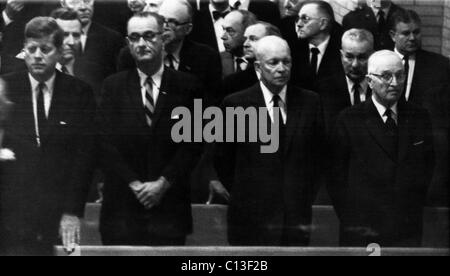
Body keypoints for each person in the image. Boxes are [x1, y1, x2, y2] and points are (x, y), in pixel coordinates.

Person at [97, 12, 203, 246]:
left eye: (148, 36)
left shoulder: (187, 86)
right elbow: (104, 143)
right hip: (122, 208)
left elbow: (193, 144)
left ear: (163, 38)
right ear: (127, 43)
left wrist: (163, 183)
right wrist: (135, 184)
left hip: (169, 208)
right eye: (134, 38)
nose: (141, 44)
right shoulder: (112, 87)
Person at [214, 36, 324, 246]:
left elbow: (317, 158)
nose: (281, 68)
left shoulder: (310, 102)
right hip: (250, 216)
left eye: (286, 61)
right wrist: (247, 193)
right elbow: (223, 160)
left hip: (295, 217)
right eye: (273, 62)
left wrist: (300, 196)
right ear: (258, 66)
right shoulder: (234, 104)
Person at [0, 17, 96, 255]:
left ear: (59, 51)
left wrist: (72, 211)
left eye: (45, 49)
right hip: (11, 214)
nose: (37, 56)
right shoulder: (6, 88)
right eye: (31, 49)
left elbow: (84, 158)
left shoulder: (79, 93)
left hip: (58, 212)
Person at [329, 50, 434, 247]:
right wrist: (352, 219)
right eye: (386, 76)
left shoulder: (419, 116)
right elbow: (336, 178)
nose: (395, 82)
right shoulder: (349, 119)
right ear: (370, 81)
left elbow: (427, 167)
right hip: (363, 228)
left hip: (407, 227)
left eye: (400, 75)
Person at [389, 9, 450, 206]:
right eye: (406, 33)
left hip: (424, 144)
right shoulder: (380, 60)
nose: (412, 38)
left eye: (416, 32)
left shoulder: (440, 66)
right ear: (393, 35)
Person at [317, 28, 374, 136]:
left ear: (372, 56)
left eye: (362, 57)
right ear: (341, 55)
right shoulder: (324, 88)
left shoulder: (380, 87)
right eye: (349, 57)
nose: (355, 65)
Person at [51, 7, 104, 102]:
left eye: (76, 35)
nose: (71, 42)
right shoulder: (39, 69)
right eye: (64, 35)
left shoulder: (95, 72)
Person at [61, 0, 124, 78]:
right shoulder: (52, 35)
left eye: (87, 1)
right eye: (75, 1)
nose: (83, 7)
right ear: (63, 4)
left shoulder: (113, 39)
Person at [290, 0, 343, 91]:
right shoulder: (292, 48)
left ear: (323, 23)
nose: (298, 24)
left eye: (305, 19)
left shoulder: (342, 50)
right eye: (298, 18)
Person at [222, 21, 282, 97]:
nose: (245, 44)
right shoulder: (232, 82)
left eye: (253, 39)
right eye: (246, 39)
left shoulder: (290, 76)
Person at [220, 10, 257, 77]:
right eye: (224, 29)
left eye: (230, 31)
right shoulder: (217, 60)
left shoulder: (261, 60)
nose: (223, 37)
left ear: (247, 32)